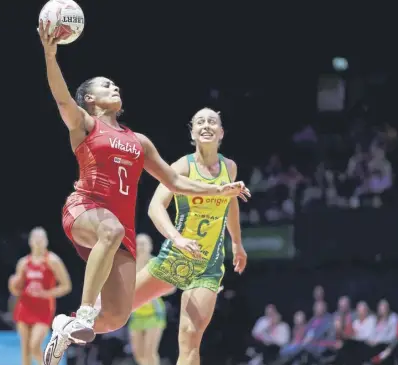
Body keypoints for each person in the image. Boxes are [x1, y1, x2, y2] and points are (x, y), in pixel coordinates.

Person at [37, 22, 250, 365]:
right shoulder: (85, 125)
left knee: (118, 316)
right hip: (85, 209)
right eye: (106, 85)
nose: (115, 86)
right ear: (90, 100)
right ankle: (86, 310)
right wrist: (50, 54)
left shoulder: (140, 142)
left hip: (121, 232)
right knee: (111, 230)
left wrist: (218, 189)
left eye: (115, 83)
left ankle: (66, 325)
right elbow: (61, 96)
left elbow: (176, 182)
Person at [128, 107, 249, 365]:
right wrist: (177, 238)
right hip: (175, 257)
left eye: (212, 122)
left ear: (221, 133)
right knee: (115, 312)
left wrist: (237, 243)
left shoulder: (230, 168)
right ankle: (71, 326)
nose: (206, 125)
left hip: (208, 265)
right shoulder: (182, 166)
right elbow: (155, 207)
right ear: (192, 133)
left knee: (190, 335)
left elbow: (231, 204)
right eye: (200, 122)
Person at [9, 227, 72, 365]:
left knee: (34, 345)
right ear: (30, 241)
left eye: (41, 238)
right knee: (25, 349)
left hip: (44, 309)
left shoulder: (53, 261)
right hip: (24, 307)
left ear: (46, 241)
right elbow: (16, 290)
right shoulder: (23, 263)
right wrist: (12, 285)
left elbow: (66, 286)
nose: (38, 241)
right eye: (35, 238)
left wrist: (46, 294)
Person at [128, 234, 171, 365]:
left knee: (149, 352)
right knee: (139, 354)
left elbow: (171, 287)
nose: (140, 247)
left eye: (143, 244)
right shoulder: (129, 265)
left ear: (150, 246)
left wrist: (153, 291)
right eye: (138, 243)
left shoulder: (156, 264)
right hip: (135, 314)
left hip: (154, 314)